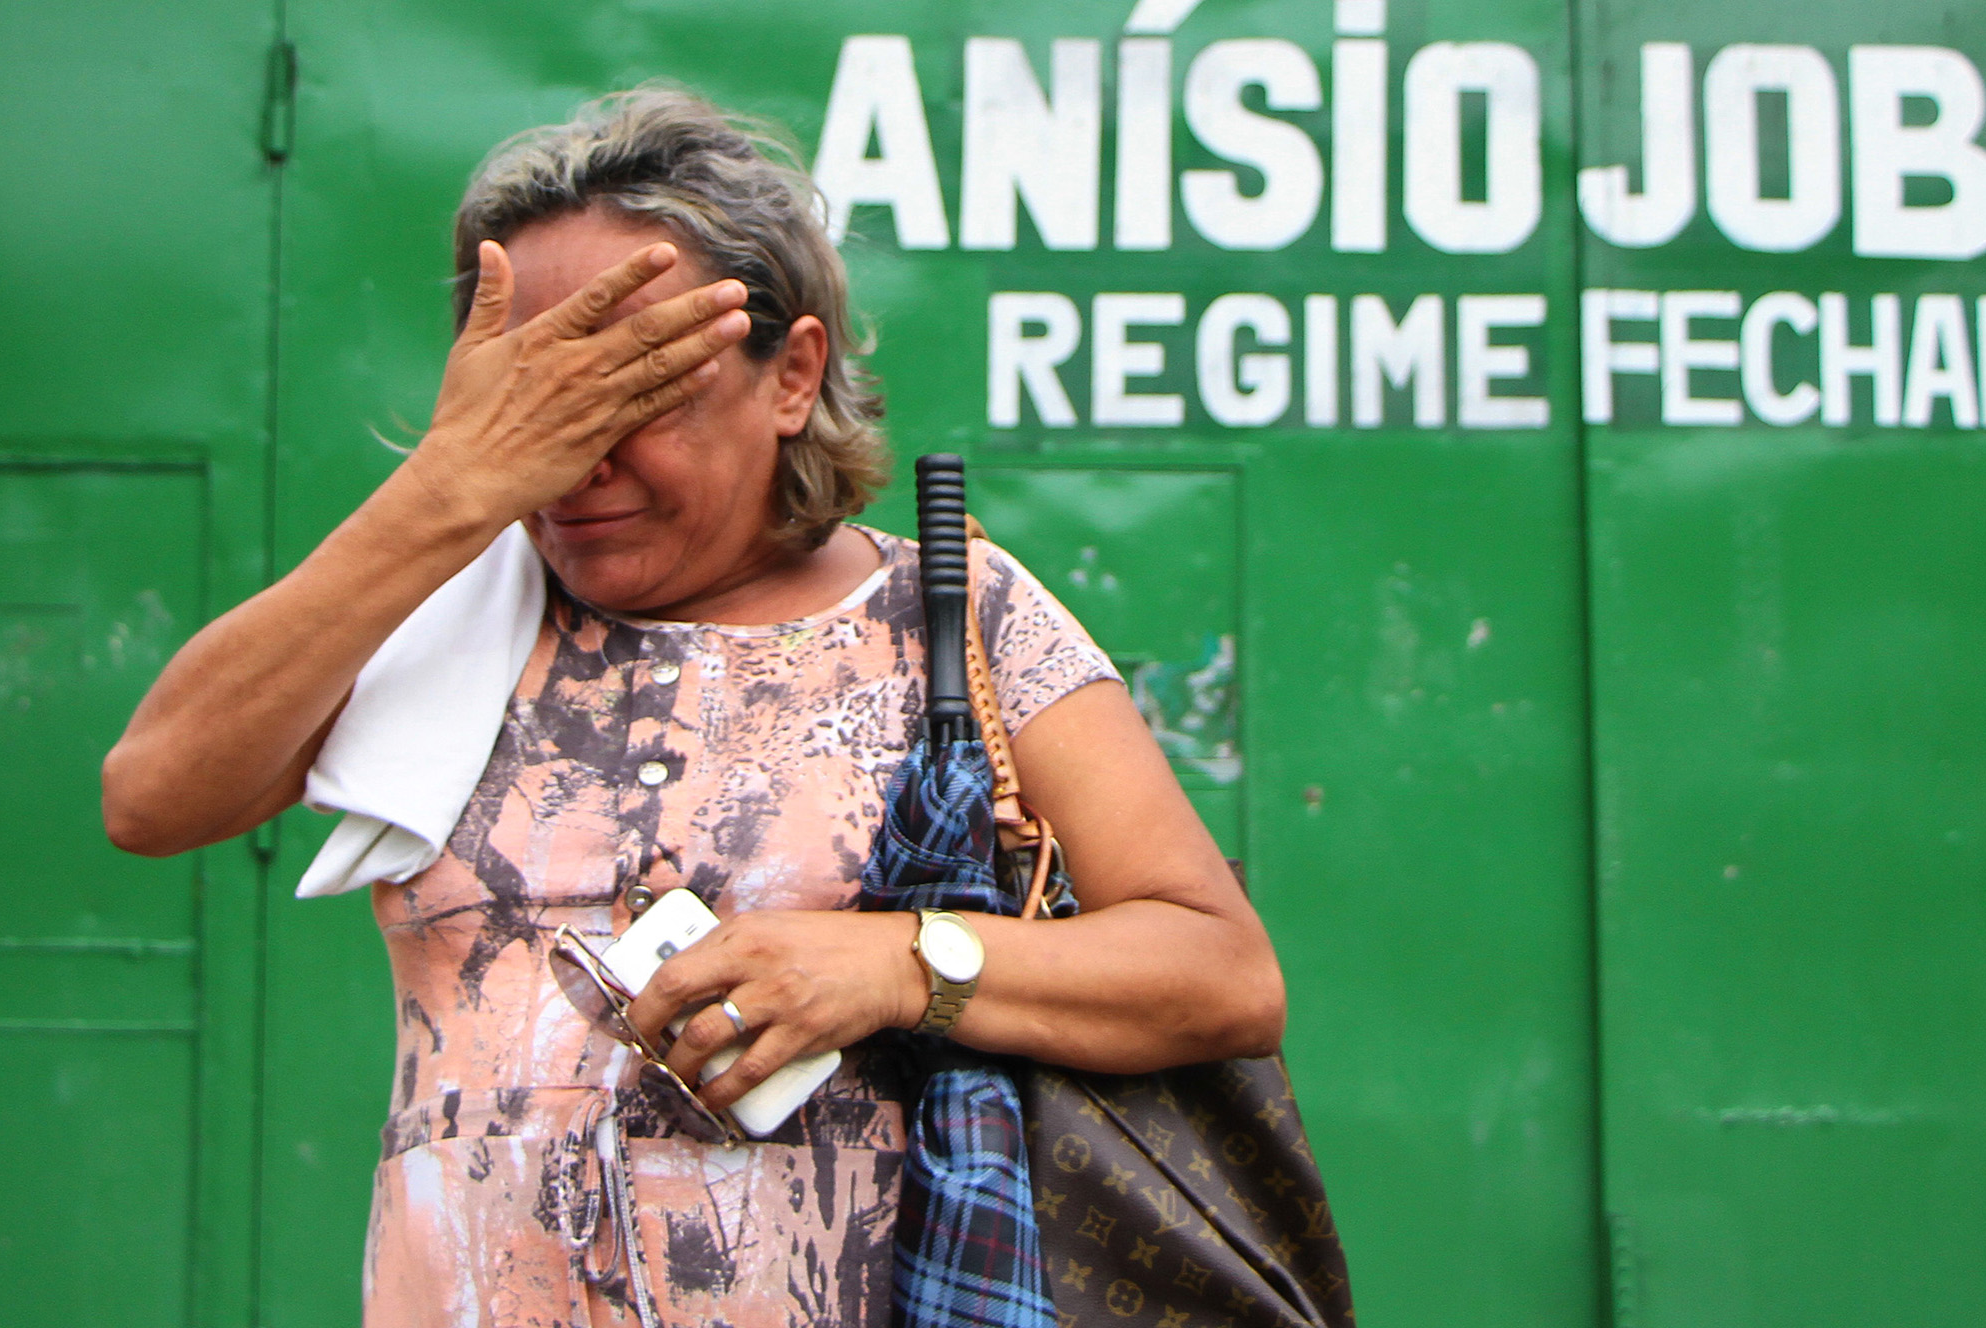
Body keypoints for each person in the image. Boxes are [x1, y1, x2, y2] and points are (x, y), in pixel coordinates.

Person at [103, 85, 1284, 1327]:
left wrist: (897, 960)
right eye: (544, 405)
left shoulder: (951, 611)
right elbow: (154, 792)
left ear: (794, 373)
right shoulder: (449, 600)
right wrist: (453, 484)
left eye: (639, 396)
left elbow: (1218, 969)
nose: (579, 462)